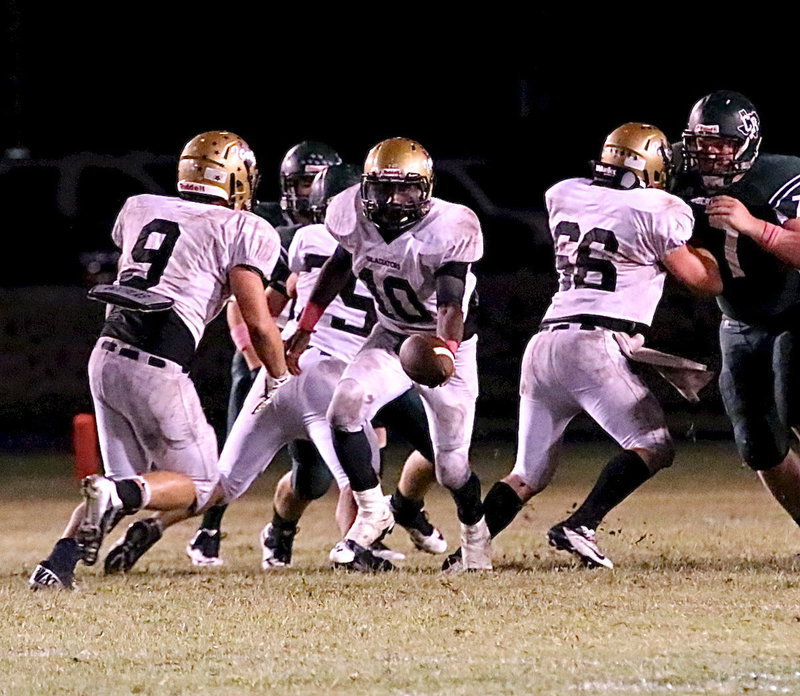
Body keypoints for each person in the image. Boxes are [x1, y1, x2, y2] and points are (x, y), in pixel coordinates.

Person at [444, 123, 722, 571]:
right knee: (653, 444)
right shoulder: (659, 210)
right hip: (594, 346)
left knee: (526, 474)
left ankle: (468, 554)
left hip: (545, 344)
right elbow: (702, 281)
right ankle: (582, 525)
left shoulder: (567, 194)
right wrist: (704, 248)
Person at [29, 131, 287, 589]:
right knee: (202, 485)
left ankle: (56, 564)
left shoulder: (142, 207)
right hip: (157, 364)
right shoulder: (243, 228)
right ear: (238, 179)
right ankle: (115, 494)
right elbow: (259, 322)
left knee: (121, 487)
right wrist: (279, 376)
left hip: (105, 358)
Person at [188, 164, 447, 572]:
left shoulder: (398, 240)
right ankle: (278, 530)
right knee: (315, 478)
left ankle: (393, 518)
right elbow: (264, 305)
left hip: (374, 366)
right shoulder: (305, 241)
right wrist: (269, 350)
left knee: (434, 444)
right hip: (320, 368)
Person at [286, 137, 491, 571]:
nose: (395, 199)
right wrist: (305, 326)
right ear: (366, 186)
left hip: (442, 343)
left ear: (426, 189)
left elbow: (451, 303)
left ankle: (477, 541)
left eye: (407, 188)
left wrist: (445, 353)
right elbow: (338, 267)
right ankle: (373, 511)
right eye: (383, 187)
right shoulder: (351, 213)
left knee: (451, 468)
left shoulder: (450, 227)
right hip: (392, 335)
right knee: (343, 409)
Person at [187, 141, 343, 564]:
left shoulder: (355, 233)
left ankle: (281, 530)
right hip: (265, 360)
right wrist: (258, 360)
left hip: (317, 367)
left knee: (314, 480)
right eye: (303, 182)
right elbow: (245, 306)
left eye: (318, 182)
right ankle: (208, 531)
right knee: (233, 462)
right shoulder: (265, 228)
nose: (311, 193)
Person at [676, 90, 800, 532]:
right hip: (740, 319)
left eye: (723, 144)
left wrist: (755, 227)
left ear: (747, 144)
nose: (711, 154)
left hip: (794, 314)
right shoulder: (677, 177)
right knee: (759, 445)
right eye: (702, 143)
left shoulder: (781, 175)